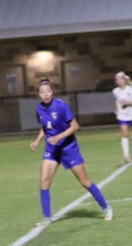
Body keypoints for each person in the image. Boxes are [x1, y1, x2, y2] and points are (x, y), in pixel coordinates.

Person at [30, 78, 113, 226]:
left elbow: (75, 126)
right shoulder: (39, 108)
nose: (45, 94)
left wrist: (59, 137)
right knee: (44, 182)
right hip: (52, 150)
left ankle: (106, 208)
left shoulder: (61, 106)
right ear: (38, 94)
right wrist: (37, 141)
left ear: (52, 92)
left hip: (68, 148)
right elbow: (45, 126)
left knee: (84, 181)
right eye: (42, 92)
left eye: (48, 91)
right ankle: (47, 218)